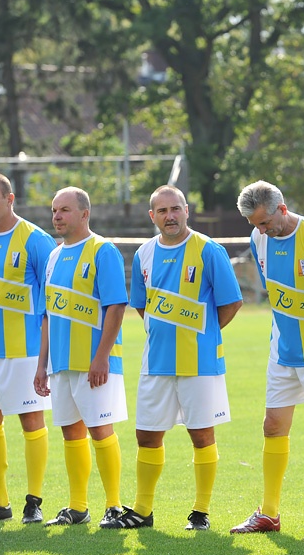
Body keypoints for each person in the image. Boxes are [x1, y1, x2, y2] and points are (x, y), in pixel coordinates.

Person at [103, 185, 243, 531]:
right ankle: (142, 510)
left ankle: (201, 512)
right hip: (156, 362)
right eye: (162, 211)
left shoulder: (208, 250)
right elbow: (141, 304)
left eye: (175, 209)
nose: (170, 216)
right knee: (147, 435)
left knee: (201, 435)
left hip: (200, 363)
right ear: (152, 216)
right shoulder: (144, 254)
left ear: (186, 211)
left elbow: (231, 302)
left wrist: (204, 334)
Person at [230, 180, 304, 535]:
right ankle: (270, 513)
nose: (262, 230)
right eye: (255, 225)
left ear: (283, 209)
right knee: (272, 426)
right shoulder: (258, 239)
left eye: (265, 222)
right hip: (282, 349)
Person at [0, 173, 57, 524]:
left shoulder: (36, 240)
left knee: (31, 420)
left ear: (9, 199)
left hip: (25, 349)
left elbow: (51, 301)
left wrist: (45, 357)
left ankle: (34, 500)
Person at [32, 187, 128, 527]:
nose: (57, 216)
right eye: (55, 210)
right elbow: (46, 316)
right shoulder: (53, 256)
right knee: (70, 433)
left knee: (101, 430)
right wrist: (42, 365)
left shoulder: (103, 250)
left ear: (84, 214)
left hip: (94, 365)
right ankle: (78, 507)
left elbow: (116, 306)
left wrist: (102, 357)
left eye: (65, 210)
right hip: (60, 365)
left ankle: (114, 506)